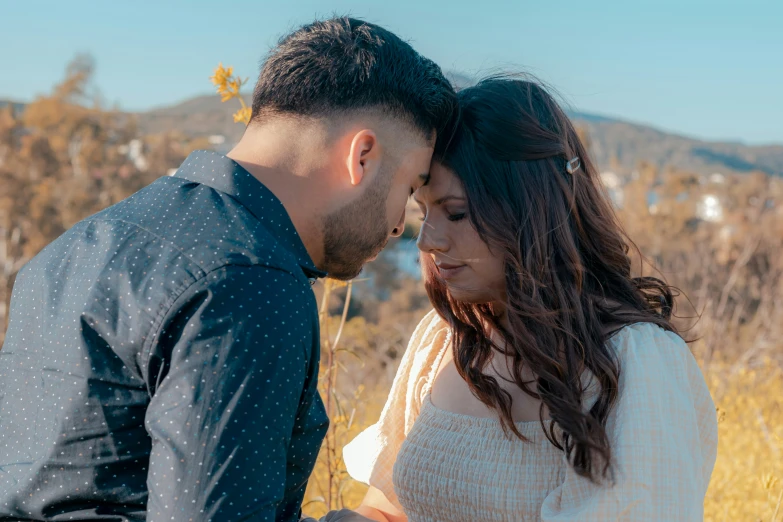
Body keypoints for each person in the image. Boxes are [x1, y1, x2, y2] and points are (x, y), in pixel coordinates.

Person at [0, 17, 455, 521]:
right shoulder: (251, 281)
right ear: (362, 155)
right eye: (410, 188)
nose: (399, 226)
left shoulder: (81, 243)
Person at [341, 77, 719, 522]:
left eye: (456, 212)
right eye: (423, 211)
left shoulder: (634, 361)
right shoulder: (443, 341)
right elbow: (388, 510)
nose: (427, 240)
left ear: (530, 208)